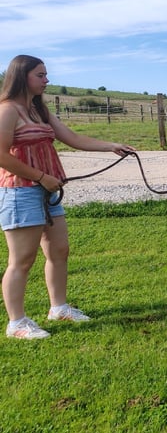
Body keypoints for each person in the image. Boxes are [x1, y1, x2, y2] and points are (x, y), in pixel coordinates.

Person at [0, 55, 135, 340]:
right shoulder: (8, 110)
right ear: (23, 76)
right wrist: (40, 177)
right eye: (41, 75)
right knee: (22, 259)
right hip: (20, 191)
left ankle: (58, 307)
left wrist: (111, 146)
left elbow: (72, 138)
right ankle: (17, 323)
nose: (47, 80)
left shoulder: (39, 110)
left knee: (59, 250)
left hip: (48, 190)